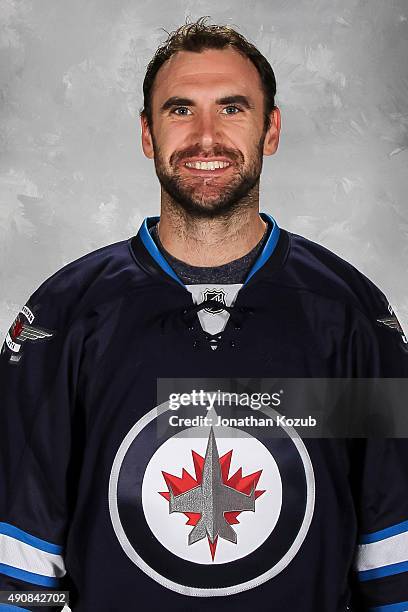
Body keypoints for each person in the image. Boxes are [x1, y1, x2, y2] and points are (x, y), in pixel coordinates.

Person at [1, 16, 408, 612]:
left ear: (271, 130)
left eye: (234, 108)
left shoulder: (347, 314)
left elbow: (390, 548)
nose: (207, 137)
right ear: (148, 134)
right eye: (181, 109)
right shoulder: (64, 317)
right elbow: (20, 559)